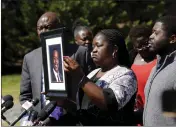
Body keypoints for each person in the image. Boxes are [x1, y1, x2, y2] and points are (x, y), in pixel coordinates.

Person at [63, 29, 137, 125]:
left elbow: (109, 104)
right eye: (93, 46)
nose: (93, 50)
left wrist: (81, 77)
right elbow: (85, 108)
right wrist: (64, 102)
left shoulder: (126, 75)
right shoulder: (93, 73)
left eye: (99, 46)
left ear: (114, 49)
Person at [19, 12, 64, 126]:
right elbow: (25, 96)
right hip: (38, 121)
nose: (43, 32)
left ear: (59, 28)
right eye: (40, 29)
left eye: (47, 27)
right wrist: (27, 118)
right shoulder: (29, 58)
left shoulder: (76, 53)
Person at [143, 16, 176, 126]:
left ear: (172, 39)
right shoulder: (155, 68)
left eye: (156, 33)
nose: (151, 37)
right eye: (151, 33)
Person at [129, 25, 157, 125]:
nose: (144, 48)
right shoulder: (131, 59)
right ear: (134, 47)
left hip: (156, 109)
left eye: (146, 43)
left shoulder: (160, 57)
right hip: (137, 112)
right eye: (139, 46)